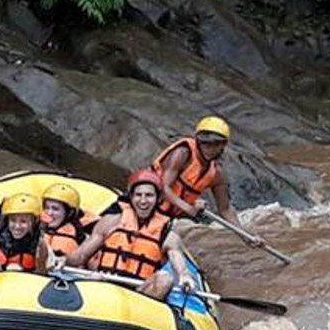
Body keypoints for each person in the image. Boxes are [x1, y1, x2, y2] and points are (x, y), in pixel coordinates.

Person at [65, 169, 195, 300]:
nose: (143, 201)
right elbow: (80, 256)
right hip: (105, 285)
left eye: (149, 195)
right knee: (94, 276)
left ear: (158, 199)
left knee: (165, 279)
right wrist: (61, 260)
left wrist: (185, 276)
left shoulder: (167, 232)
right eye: (138, 195)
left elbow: (177, 258)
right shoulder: (111, 221)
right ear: (131, 197)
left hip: (138, 293)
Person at [150, 116, 256, 240]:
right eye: (204, 142)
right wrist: (188, 208)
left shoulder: (216, 174)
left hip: (166, 219)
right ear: (198, 140)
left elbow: (225, 210)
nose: (209, 148)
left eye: (215, 144)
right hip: (145, 206)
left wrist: (245, 236)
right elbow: (163, 187)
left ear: (224, 144)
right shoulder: (183, 153)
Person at [38, 181, 96, 259]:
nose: (49, 213)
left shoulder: (82, 237)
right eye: (47, 207)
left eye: (55, 209)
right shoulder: (36, 231)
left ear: (70, 213)